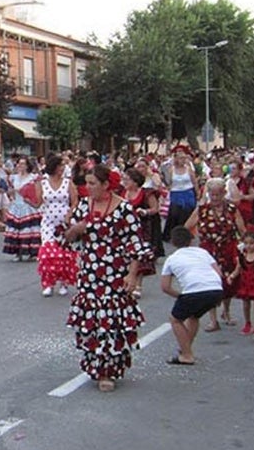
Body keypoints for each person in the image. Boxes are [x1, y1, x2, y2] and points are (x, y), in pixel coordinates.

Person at [63, 164, 151, 392]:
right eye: (87, 183)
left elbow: (136, 244)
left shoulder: (124, 209)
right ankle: (96, 366)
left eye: (93, 183)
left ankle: (109, 371)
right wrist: (76, 229)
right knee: (93, 321)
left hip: (115, 272)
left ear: (106, 185)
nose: (88, 187)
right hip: (90, 273)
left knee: (111, 321)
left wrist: (132, 275)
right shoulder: (83, 205)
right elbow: (68, 238)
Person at [185, 177, 245, 332]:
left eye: (218, 195)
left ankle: (226, 311)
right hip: (208, 252)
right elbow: (187, 226)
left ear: (224, 193)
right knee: (211, 284)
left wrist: (245, 246)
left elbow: (242, 229)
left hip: (228, 249)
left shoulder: (232, 208)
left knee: (228, 283)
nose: (215, 198)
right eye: (212, 195)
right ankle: (213, 320)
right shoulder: (202, 209)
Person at [159, 227, 224, 366]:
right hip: (216, 288)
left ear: (173, 242)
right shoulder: (203, 252)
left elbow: (165, 287)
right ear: (191, 239)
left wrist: (179, 296)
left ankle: (187, 355)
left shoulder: (171, 259)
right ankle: (185, 349)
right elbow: (218, 273)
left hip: (194, 291)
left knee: (175, 319)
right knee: (194, 316)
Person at [34, 154, 78, 297]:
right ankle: (48, 283)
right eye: (60, 166)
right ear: (53, 167)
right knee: (48, 253)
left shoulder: (68, 182)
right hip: (48, 221)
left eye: (64, 166)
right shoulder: (42, 183)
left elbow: (75, 201)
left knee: (64, 253)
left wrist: (70, 214)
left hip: (64, 222)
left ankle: (64, 282)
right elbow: (39, 202)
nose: (63, 168)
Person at [123, 169, 161, 297]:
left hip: (142, 228)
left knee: (139, 255)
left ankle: (138, 284)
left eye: (127, 180)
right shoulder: (122, 193)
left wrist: (145, 212)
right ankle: (127, 281)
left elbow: (155, 208)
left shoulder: (146, 193)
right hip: (125, 228)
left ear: (135, 182)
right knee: (125, 255)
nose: (125, 182)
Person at [3, 157, 41, 261]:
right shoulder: (14, 178)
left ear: (28, 166)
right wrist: (10, 193)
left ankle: (32, 252)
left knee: (29, 230)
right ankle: (18, 253)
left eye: (23, 164)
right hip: (16, 205)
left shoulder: (33, 177)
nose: (20, 166)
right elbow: (10, 190)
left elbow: (37, 191)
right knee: (16, 230)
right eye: (19, 164)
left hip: (28, 205)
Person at [232, 231, 254, 341]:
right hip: (246, 283)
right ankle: (248, 322)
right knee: (246, 305)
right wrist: (232, 276)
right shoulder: (242, 256)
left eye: (251, 243)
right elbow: (238, 269)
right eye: (246, 243)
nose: (249, 246)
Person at [162, 146, 198, 241]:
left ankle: (185, 235)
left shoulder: (188, 168)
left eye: (184, 158)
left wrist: (198, 194)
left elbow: (194, 182)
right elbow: (169, 182)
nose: (183, 160)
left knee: (186, 215)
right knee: (174, 214)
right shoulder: (172, 169)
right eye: (181, 158)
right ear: (176, 159)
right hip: (176, 193)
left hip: (188, 193)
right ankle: (172, 234)